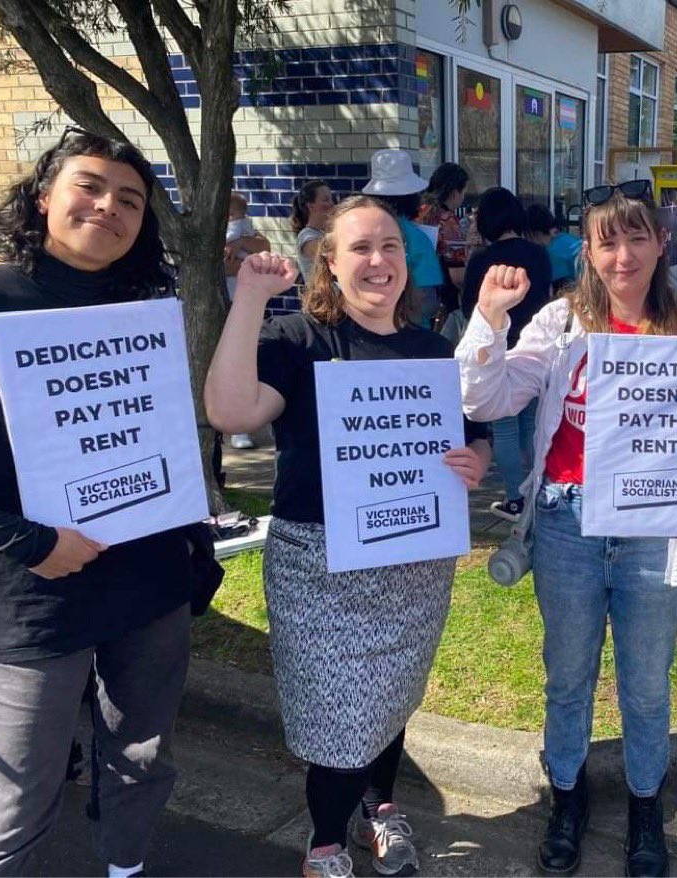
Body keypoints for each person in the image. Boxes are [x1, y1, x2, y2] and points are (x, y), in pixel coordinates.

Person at [455, 178, 677, 877]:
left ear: (661, 243)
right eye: (607, 242)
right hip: (566, 522)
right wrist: (489, 318)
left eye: (637, 237)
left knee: (647, 685)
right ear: (587, 250)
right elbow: (483, 398)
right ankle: (567, 797)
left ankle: (646, 808)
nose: (622, 256)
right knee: (568, 675)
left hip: (653, 529)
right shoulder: (559, 325)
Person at [205, 195, 491, 878]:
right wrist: (250, 299)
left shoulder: (431, 350)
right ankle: (326, 845)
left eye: (390, 246)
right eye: (360, 247)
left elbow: (473, 434)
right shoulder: (297, 340)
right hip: (320, 565)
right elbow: (230, 411)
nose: (378, 260)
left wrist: (476, 460)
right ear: (329, 262)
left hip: (413, 559)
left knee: (391, 696)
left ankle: (380, 810)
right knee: (338, 717)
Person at [0, 128, 198, 877]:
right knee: (21, 785)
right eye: (91, 186)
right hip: (36, 592)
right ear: (45, 195)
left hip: (148, 582)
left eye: (131, 200)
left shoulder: (146, 309)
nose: (109, 206)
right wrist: (30, 542)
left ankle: (125, 866)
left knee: (142, 753)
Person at [461, 188, 552, 521]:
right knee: (531, 426)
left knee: (505, 431)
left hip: (496, 350)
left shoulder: (482, 259)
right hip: (536, 349)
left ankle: (515, 498)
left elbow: (469, 308)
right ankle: (537, 491)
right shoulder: (539, 253)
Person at [361, 149, 445, 329]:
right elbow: (428, 303)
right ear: (411, 196)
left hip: (365, 329)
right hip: (411, 333)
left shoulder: (359, 232)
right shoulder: (417, 237)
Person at [224, 191, 271, 450]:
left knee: (244, 364)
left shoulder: (243, 228)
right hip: (222, 304)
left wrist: (240, 243)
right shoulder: (210, 232)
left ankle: (241, 425)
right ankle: (234, 427)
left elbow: (264, 247)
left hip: (242, 304)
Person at [416, 163, 469, 315]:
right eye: (464, 192)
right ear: (454, 193)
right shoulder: (448, 222)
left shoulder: (417, 212)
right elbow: (457, 275)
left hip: (413, 289)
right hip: (440, 297)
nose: (463, 197)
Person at [525, 203, 583, 294]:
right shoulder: (569, 239)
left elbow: (557, 289)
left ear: (534, 233)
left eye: (527, 235)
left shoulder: (551, 253)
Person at [291, 179, 335, 285]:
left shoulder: (324, 233)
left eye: (331, 199)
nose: (332, 204)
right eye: (326, 200)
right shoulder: (306, 236)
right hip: (321, 295)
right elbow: (328, 252)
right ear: (310, 206)